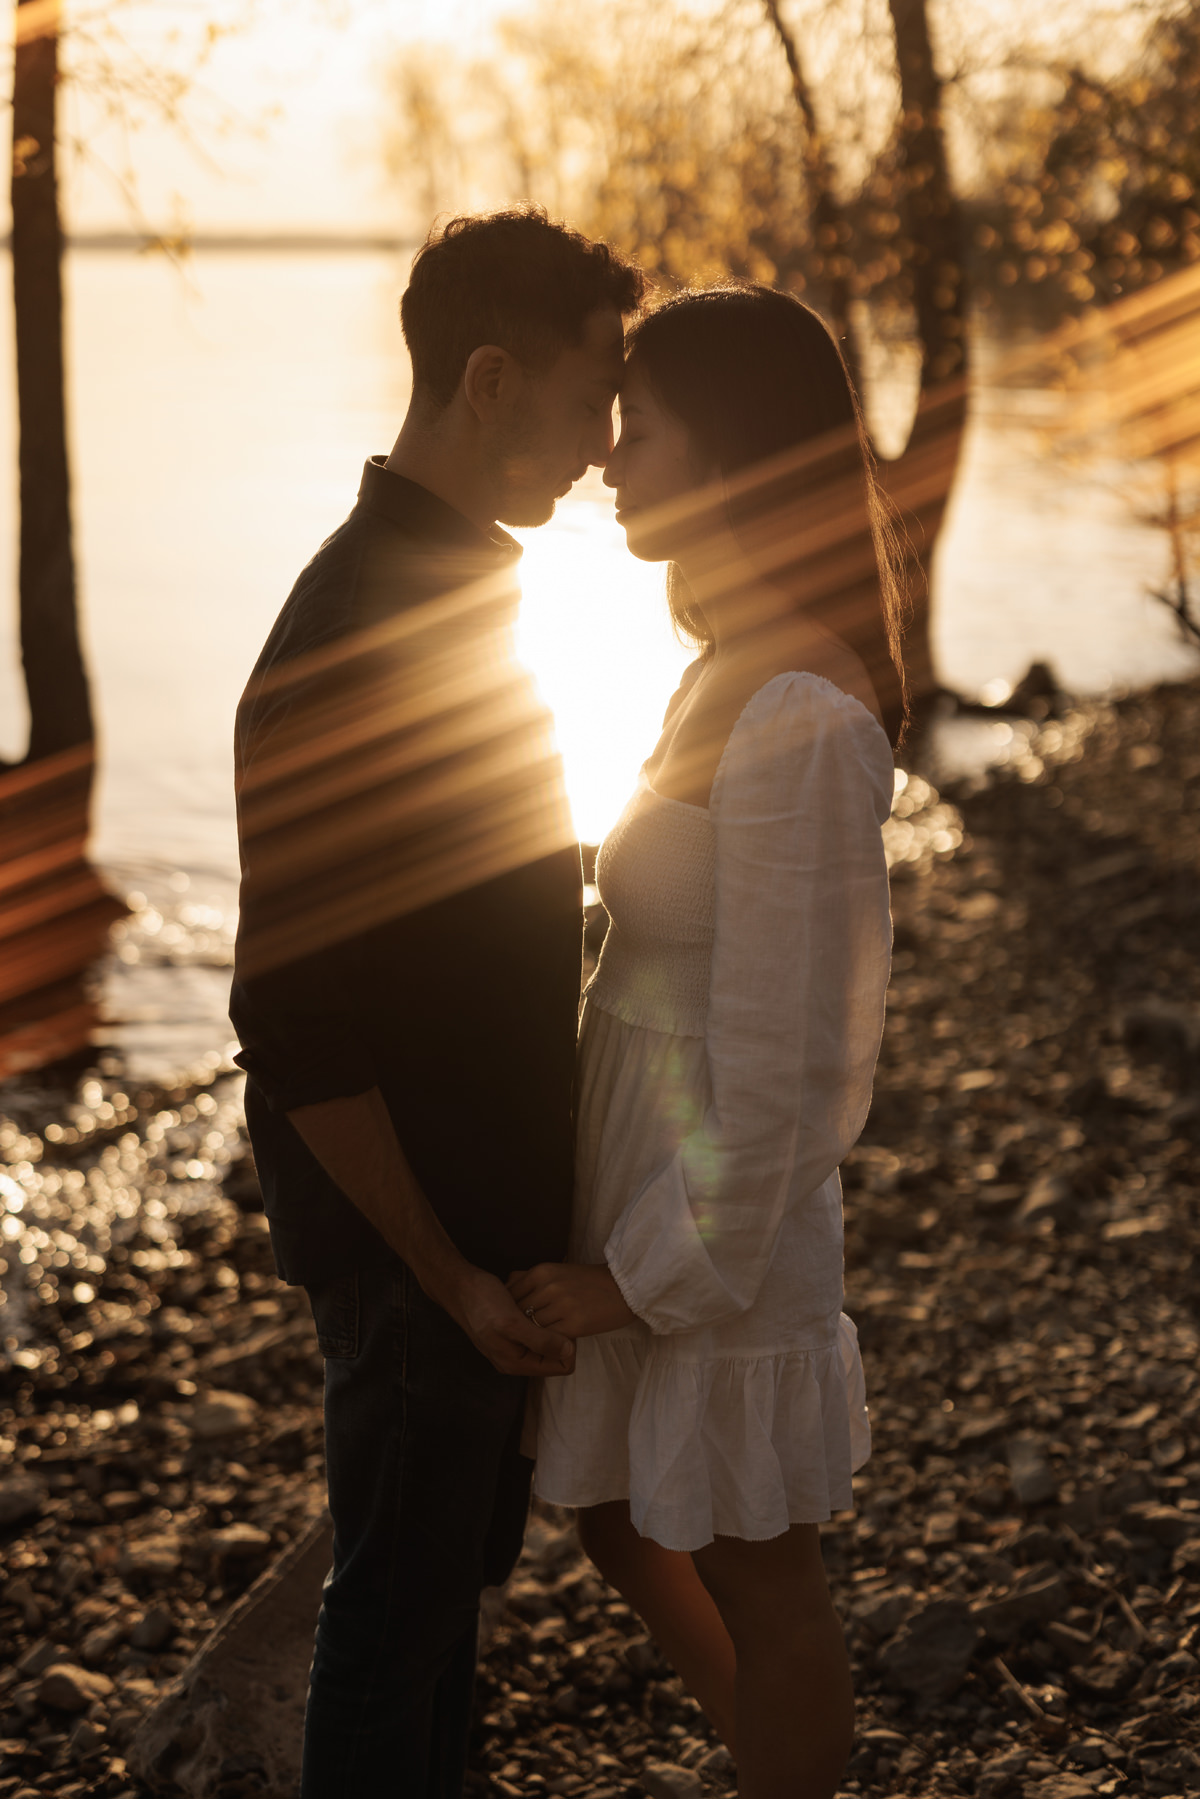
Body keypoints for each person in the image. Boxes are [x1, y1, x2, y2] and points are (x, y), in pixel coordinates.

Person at [229, 206, 644, 1798]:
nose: (605, 448)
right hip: (421, 1267)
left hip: (479, 1252)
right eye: (593, 397)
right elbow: (297, 1020)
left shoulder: (453, 595)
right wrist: (449, 1277)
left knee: (439, 1622)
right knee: (392, 1630)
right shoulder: (359, 636)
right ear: (489, 381)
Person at [507, 284, 904, 1799]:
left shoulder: (800, 710)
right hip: (639, 1167)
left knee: (760, 1566)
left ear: (732, 449)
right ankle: (768, 1761)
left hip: (720, 1216)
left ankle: (785, 1771)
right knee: (617, 1512)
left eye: (643, 428)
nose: (609, 461)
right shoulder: (707, 670)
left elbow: (804, 1067)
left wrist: (645, 1276)